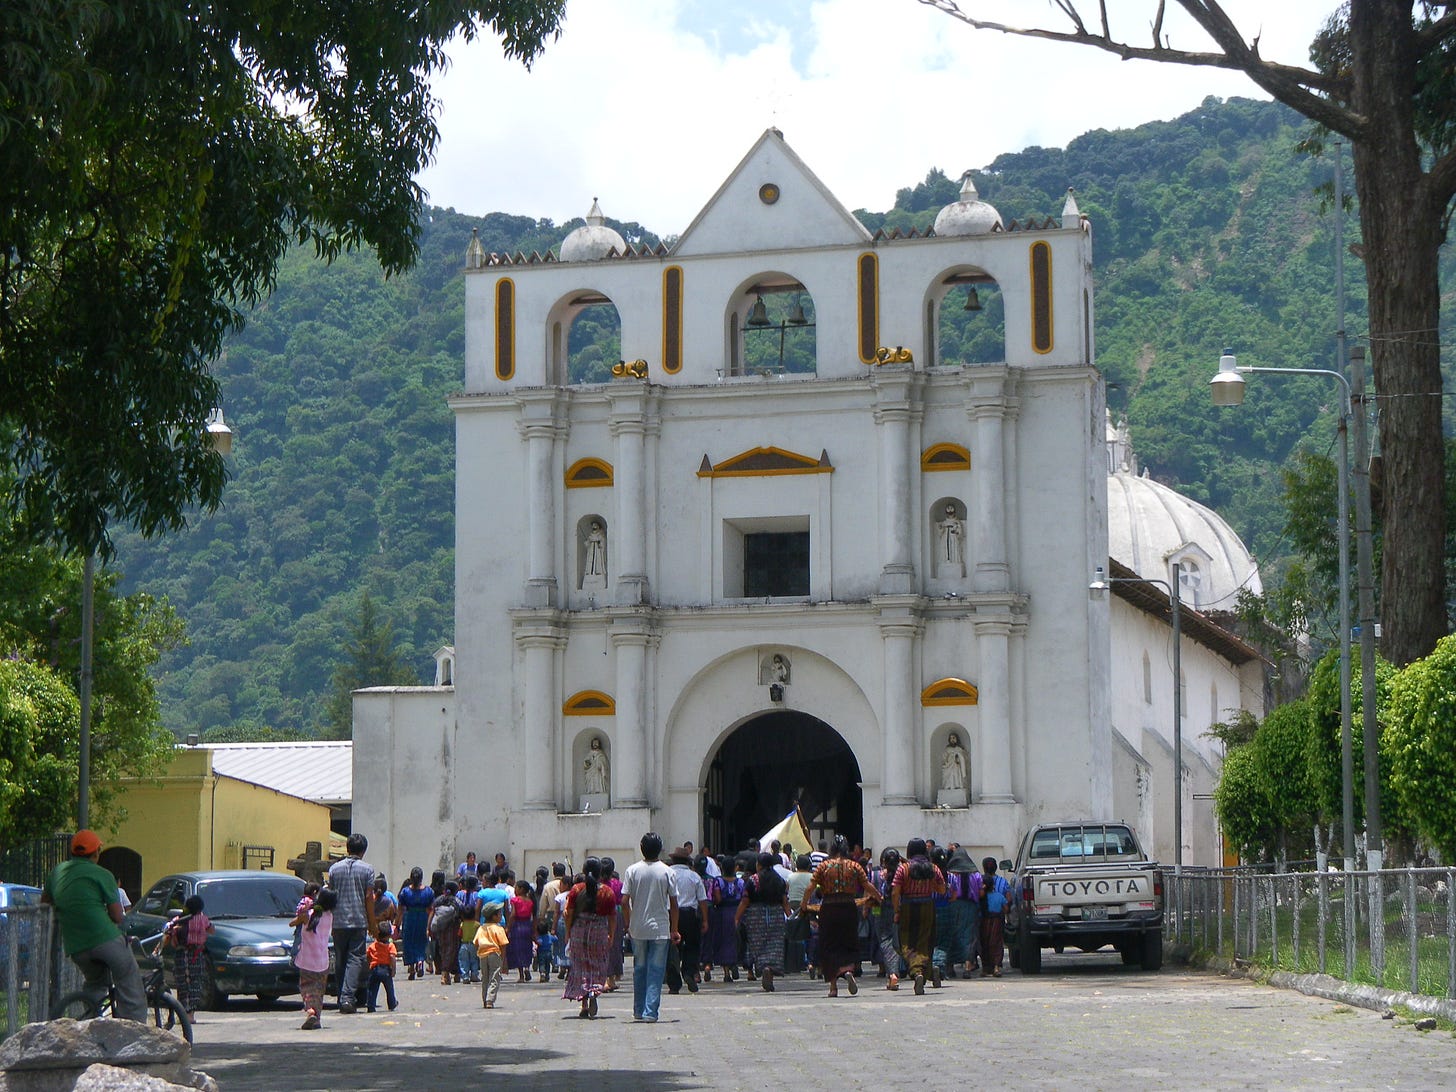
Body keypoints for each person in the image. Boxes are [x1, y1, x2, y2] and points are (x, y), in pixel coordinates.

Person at [41, 830, 147, 1022]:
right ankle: (135, 1029)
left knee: (95, 983)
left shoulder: (57, 872)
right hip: (105, 939)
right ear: (96, 853)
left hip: (76, 945)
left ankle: (92, 1023)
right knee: (128, 978)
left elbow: (45, 902)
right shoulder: (103, 874)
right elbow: (116, 916)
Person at [800, 835, 879, 997]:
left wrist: (804, 905)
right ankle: (847, 970)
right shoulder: (854, 866)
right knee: (848, 941)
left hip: (828, 908)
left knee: (829, 944)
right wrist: (879, 897)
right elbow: (867, 885)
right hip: (849, 908)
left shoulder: (823, 866)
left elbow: (810, 888)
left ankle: (833, 987)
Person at [621, 831, 679, 1023]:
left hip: (638, 927)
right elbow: (674, 903)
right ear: (660, 849)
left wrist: (628, 922)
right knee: (656, 970)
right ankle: (650, 1011)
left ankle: (638, 1009)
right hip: (660, 928)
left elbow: (624, 901)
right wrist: (675, 929)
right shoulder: (667, 871)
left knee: (640, 968)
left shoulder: (632, 870)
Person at [563, 857, 618, 1018]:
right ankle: (594, 990)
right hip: (599, 931)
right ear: (601, 872)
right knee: (597, 964)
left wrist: (568, 932)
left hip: (579, 931)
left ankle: (584, 1003)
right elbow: (613, 917)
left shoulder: (576, 889)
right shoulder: (607, 892)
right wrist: (611, 935)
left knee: (580, 965)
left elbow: (569, 913)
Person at [327, 832, 376, 1013]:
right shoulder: (367, 869)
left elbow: (330, 894)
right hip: (358, 920)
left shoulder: (334, 869)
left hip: (338, 920)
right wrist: (372, 923)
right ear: (363, 850)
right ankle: (347, 998)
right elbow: (369, 897)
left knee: (340, 960)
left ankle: (342, 997)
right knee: (355, 958)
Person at [892, 837, 947, 994]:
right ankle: (929, 971)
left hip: (908, 907)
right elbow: (942, 890)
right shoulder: (933, 868)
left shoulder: (903, 868)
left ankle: (917, 972)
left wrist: (897, 910)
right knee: (926, 941)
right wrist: (930, 885)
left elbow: (895, 892)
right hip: (928, 907)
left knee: (906, 943)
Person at [735, 852, 790, 992]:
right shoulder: (779, 880)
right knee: (775, 946)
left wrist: (737, 918)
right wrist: (790, 917)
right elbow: (784, 902)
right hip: (776, 915)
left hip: (755, 917)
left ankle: (764, 967)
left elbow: (745, 900)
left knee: (759, 945)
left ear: (759, 864)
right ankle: (770, 973)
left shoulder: (753, 880)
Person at [163, 894, 214, 1015]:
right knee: (196, 983)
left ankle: (184, 1013)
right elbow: (212, 930)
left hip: (181, 954)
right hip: (197, 955)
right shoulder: (203, 920)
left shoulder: (178, 920)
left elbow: (168, 933)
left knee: (182, 983)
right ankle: (191, 1014)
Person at [294, 887, 335, 1030]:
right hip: (323, 961)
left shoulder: (309, 915)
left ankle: (310, 1011)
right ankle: (317, 1018)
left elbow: (293, 923)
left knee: (306, 988)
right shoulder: (329, 916)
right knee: (319, 991)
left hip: (306, 960)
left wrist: (304, 910)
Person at [942, 847, 980, 977]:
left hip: (952, 906)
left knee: (951, 934)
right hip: (970, 908)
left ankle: (949, 967)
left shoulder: (950, 875)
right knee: (969, 936)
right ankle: (967, 968)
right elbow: (980, 892)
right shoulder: (976, 875)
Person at [872, 848, 903, 990]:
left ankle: (892, 974)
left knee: (886, 941)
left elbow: (870, 891)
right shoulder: (902, 873)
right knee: (898, 941)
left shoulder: (877, 875)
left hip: (880, 910)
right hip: (899, 910)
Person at [397, 867, 433, 980]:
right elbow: (431, 909)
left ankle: (412, 968)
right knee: (421, 941)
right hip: (423, 918)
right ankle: (420, 961)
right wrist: (429, 925)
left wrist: (397, 923)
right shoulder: (428, 891)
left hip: (409, 918)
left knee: (408, 943)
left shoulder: (405, 892)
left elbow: (400, 908)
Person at [978, 857, 1011, 977]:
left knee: (984, 942)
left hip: (983, 919)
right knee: (997, 942)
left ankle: (986, 967)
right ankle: (997, 966)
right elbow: (1008, 900)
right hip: (998, 919)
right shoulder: (1003, 882)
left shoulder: (980, 881)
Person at [474, 902, 509, 1009]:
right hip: (495, 954)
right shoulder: (498, 928)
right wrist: (503, 960)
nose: (501, 916)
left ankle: (485, 999)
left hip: (483, 955)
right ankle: (490, 999)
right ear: (494, 916)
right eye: (499, 914)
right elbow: (503, 945)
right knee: (494, 977)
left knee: (485, 978)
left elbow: (476, 943)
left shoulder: (481, 928)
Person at [429, 880, 464, 985]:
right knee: (453, 950)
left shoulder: (438, 900)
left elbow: (432, 912)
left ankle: (447, 973)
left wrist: (429, 927)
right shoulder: (457, 901)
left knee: (443, 950)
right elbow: (462, 913)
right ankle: (447, 973)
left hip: (441, 930)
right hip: (453, 929)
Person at [365, 921, 399, 1012]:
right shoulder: (390, 946)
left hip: (375, 969)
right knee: (389, 988)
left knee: (372, 988)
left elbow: (367, 956)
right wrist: (393, 970)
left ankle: (370, 1005)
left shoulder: (373, 946)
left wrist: (369, 965)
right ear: (389, 935)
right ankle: (392, 1003)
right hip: (386, 969)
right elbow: (392, 957)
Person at [507, 880, 536, 981]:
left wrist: (508, 927)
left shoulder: (515, 900)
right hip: (527, 925)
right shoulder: (530, 901)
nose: (515, 890)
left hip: (517, 926)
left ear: (521, 889)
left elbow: (513, 915)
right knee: (526, 948)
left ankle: (521, 975)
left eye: (516, 888)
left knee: (518, 949)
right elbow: (533, 917)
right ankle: (527, 968)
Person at [458, 875, 482, 983]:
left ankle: (465, 976)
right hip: (473, 941)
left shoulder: (460, 894)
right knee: (474, 960)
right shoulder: (477, 895)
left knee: (463, 960)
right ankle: (474, 975)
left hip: (463, 939)